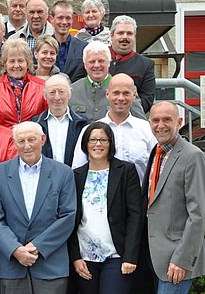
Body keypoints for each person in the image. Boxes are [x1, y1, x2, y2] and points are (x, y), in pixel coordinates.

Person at [0, 121, 76, 294]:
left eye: (32, 139)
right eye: (21, 141)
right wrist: (15, 249)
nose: (27, 146)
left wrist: (36, 246)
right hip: (13, 265)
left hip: (50, 265)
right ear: (14, 144)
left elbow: (68, 216)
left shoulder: (63, 172)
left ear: (42, 139)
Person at [136, 101, 205, 294]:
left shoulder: (193, 156)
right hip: (153, 257)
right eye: (155, 120)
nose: (160, 125)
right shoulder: (156, 152)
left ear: (179, 122)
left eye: (167, 120)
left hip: (176, 260)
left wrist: (182, 260)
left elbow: (199, 215)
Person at [69, 121, 143, 294]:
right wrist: (75, 257)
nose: (98, 144)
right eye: (93, 140)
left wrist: (130, 256)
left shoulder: (126, 171)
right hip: (85, 258)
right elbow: (70, 218)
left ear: (111, 144)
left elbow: (135, 215)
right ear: (85, 144)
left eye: (103, 140)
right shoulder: (76, 176)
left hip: (117, 256)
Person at [72, 73, 156, 182]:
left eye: (126, 93)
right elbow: (78, 170)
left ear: (134, 95)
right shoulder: (90, 131)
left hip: (139, 196)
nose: (120, 98)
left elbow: (156, 169)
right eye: (116, 93)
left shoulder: (147, 130)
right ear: (107, 94)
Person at [70, 41, 145, 122]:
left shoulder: (125, 88)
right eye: (92, 61)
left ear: (109, 62)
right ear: (85, 65)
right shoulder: (72, 90)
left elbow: (140, 122)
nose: (97, 65)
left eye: (101, 61)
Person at [0, 38, 47, 127]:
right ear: (5, 64)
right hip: (4, 139)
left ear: (28, 63)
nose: (16, 65)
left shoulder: (42, 86)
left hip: (32, 138)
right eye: (11, 61)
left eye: (20, 61)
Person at [32, 74, 88, 166]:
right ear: (45, 95)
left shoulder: (82, 124)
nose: (57, 97)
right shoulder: (35, 124)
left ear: (69, 94)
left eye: (61, 92)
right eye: (52, 92)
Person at [109, 15, 155, 113]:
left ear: (134, 36)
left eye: (129, 33)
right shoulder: (98, 59)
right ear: (112, 35)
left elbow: (147, 100)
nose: (125, 37)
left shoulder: (146, 64)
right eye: (120, 33)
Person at [50, 1, 88, 82]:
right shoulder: (43, 48)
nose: (64, 22)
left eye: (68, 18)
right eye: (60, 18)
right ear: (51, 19)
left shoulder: (84, 48)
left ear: (72, 20)